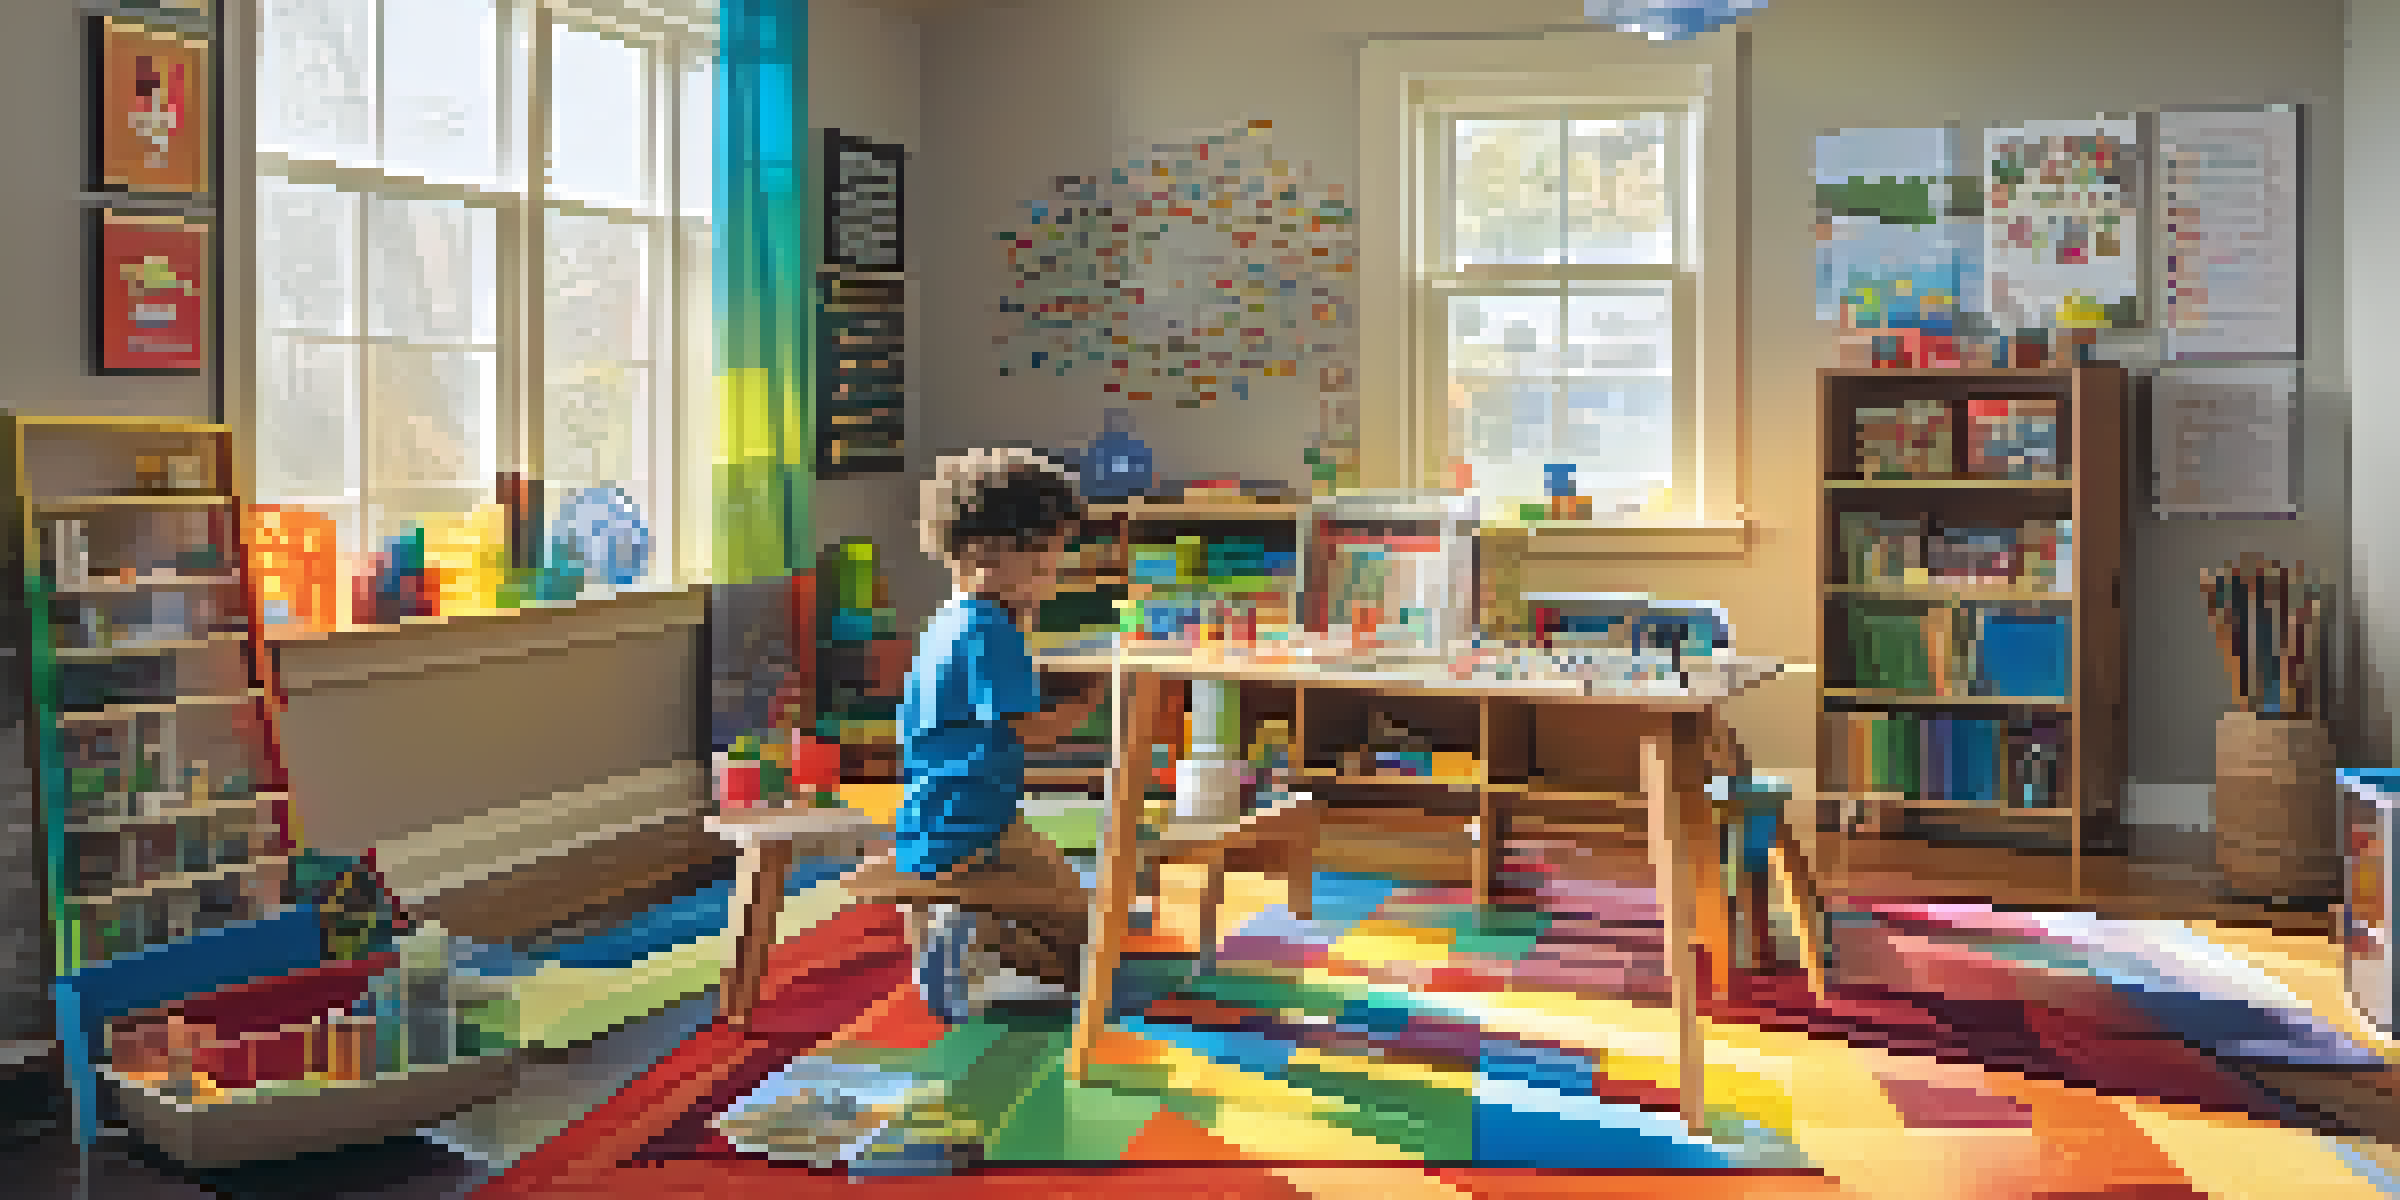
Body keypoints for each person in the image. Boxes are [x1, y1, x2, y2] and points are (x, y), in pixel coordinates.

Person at [842, 447, 1109, 1023]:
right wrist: (1088, 701)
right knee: (1086, 930)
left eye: (1052, 565)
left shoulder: (953, 618)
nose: (1047, 579)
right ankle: (973, 941)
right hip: (980, 820)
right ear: (975, 556)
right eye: (1038, 566)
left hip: (933, 813)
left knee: (1002, 892)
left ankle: (959, 931)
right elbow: (1031, 733)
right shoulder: (992, 633)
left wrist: (1025, 608)